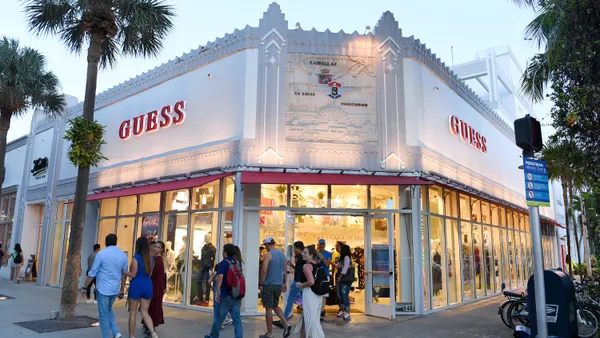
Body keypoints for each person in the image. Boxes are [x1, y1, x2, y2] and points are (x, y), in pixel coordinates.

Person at [82, 234, 128, 338]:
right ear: (116, 242)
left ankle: (106, 336)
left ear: (105, 242)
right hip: (115, 288)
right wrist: (121, 289)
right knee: (108, 310)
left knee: (103, 315)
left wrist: (85, 287)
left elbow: (93, 272)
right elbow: (123, 274)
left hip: (103, 289)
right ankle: (116, 332)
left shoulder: (101, 254)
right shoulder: (123, 255)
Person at [122, 237, 159, 338]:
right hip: (147, 284)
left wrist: (124, 271)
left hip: (137, 284)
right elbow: (150, 273)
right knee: (145, 312)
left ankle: (131, 336)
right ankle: (153, 333)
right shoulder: (151, 259)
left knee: (133, 313)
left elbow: (133, 274)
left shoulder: (136, 258)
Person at [204, 244, 243, 338]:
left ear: (225, 253)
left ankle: (213, 335)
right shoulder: (237, 263)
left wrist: (217, 292)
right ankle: (239, 336)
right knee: (237, 319)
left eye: (223, 251)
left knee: (219, 318)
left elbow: (220, 278)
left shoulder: (223, 264)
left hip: (226, 294)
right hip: (236, 294)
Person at [259, 237, 292, 338]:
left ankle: (269, 333)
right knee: (275, 305)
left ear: (267, 244)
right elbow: (285, 271)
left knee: (268, 308)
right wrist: (284, 283)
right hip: (278, 284)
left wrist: (261, 283)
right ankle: (286, 323)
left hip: (269, 284)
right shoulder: (282, 255)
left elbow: (264, 270)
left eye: (265, 246)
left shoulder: (268, 255)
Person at [292, 245, 325, 338]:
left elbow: (311, 281)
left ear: (311, 255)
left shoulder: (306, 266)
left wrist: (300, 285)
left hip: (309, 294)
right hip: (316, 295)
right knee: (308, 318)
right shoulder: (315, 263)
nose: (302, 254)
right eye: (303, 252)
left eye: (305, 253)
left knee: (310, 319)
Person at [275, 241, 305, 328]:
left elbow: (303, 270)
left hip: (298, 282)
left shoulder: (302, 258)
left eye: (295, 249)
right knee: (294, 300)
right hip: (299, 282)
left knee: (290, 301)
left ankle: (283, 321)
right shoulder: (300, 257)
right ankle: (283, 320)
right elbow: (299, 269)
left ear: (299, 248)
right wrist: (291, 265)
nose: (294, 251)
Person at [143, 241, 166, 336]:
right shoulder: (156, 259)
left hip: (156, 286)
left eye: (158, 247)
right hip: (155, 285)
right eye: (155, 246)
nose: (155, 248)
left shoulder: (159, 260)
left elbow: (156, 275)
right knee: (151, 306)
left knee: (153, 306)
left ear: (161, 249)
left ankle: (151, 326)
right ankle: (149, 326)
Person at [316, 239, 332, 319]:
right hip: (316, 276)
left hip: (325, 276)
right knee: (316, 293)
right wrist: (319, 257)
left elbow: (327, 264)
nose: (322, 246)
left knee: (324, 294)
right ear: (318, 245)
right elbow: (314, 263)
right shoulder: (315, 253)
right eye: (320, 244)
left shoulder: (328, 254)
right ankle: (317, 309)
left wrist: (322, 258)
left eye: (323, 244)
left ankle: (322, 310)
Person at [336, 244, 353, 321]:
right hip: (340, 278)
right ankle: (342, 310)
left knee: (344, 294)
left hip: (344, 278)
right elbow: (338, 267)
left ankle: (347, 311)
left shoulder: (346, 257)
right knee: (339, 294)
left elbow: (345, 268)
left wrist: (340, 277)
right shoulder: (341, 258)